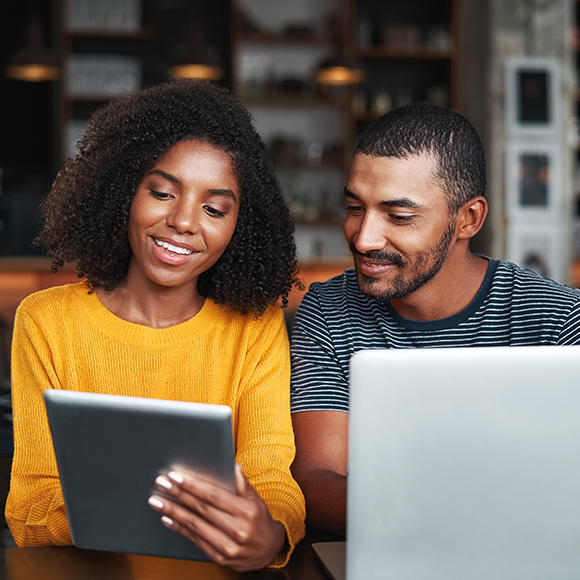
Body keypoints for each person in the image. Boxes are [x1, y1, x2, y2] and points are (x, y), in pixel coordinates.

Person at [6, 79, 306, 571]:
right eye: (163, 192)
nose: (184, 222)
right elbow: (30, 509)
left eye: (214, 208)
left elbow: (270, 475)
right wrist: (145, 513)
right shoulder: (46, 322)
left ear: (239, 226)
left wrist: (269, 532)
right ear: (124, 189)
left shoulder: (253, 328)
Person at [290, 102, 580, 535]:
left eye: (399, 216)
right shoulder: (329, 311)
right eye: (355, 208)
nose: (364, 238)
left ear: (468, 219)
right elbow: (314, 482)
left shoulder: (558, 320)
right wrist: (450, 522)